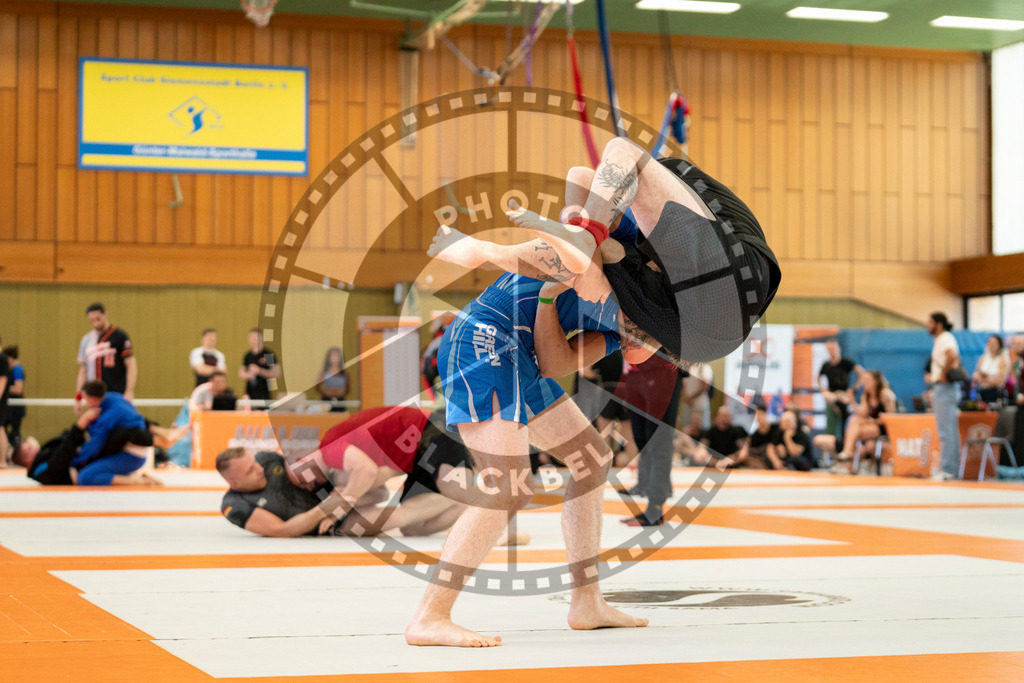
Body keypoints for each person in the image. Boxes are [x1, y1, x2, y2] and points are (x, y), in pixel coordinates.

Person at [411, 206, 656, 645]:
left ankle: (587, 602)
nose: (639, 341)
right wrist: (487, 250)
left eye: (646, 341)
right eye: (642, 334)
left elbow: (554, 363)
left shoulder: (618, 329)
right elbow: (573, 242)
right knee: (507, 485)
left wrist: (546, 301)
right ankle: (430, 616)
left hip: (524, 357)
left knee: (592, 459)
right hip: (484, 335)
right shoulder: (617, 256)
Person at [504, 139, 781, 366]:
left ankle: (501, 252)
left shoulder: (651, 227)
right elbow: (582, 178)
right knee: (621, 155)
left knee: (620, 158)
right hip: (731, 295)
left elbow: (581, 179)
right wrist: (586, 250)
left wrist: (579, 232)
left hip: (739, 290)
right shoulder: (645, 227)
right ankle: (571, 243)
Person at [292, 406, 529, 544]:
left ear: (302, 460)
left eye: (303, 479)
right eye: (305, 486)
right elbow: (379, 492)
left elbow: (368, 471)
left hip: (429, 430)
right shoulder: (340, 466)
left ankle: (504, 522)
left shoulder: (329, 448)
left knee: (454, 488)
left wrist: (342, 503)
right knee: (414, 528)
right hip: (415, 458)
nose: (309, 485)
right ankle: (472, 509)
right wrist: (349, 496)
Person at [615, 353, 684, 526]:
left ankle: (655, 508)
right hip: (635, 372)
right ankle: (648, 486)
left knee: (658, 441)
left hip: (662, 370)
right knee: (641, 438)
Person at [73, 381, 159, 486]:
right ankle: (129, 476)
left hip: (131, 456)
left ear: (93, 398)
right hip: (135, 451)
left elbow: (97, 443)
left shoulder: (107, 416)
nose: (86, 403)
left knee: (85, 477)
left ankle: (134, 480)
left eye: (85, 399)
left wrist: (75, 458)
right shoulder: (115, 398)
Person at [815, 370, 897, 471]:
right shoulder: (866, 396)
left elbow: (891, 418)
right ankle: (848, 457)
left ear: (875, 381)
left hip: (883, 428)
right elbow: (863, 414)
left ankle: (847, 457)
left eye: (867, 380)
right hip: (869, 426)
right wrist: (852, 401)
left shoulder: (885, 394)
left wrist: (870, 421)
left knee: (854, 429)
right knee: (854, 422)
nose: (865, 382)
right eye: (864, 380)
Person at [75, 302, 136, 411]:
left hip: (116, 394)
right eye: (92, 320)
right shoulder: (86, 340)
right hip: (94, 397)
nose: (95, 323)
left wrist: (129, 391)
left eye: (98, 319)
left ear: (105, 315)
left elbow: (131, 365)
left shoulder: (119, 336)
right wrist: (78, 397)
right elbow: (83, 371)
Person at [927, 312, 962, 480]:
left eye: (930, 322)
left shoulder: (945, 338)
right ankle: (952, 469)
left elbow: (952, 355)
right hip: (947, 388)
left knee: (945, 431)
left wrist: (943, 374)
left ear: (939, 324)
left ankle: (948, 469)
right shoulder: (942, 339)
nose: (928, 326)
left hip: (945, 388)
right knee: (950, 430)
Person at [818, 340, 861, 442]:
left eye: (833, 348)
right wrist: (822, 389)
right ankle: (831, 440)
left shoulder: (846, 363)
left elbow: (861, 373)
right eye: (829, 349)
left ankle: (845, 440)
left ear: (839, 349)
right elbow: (818, 377)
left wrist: (854, 388)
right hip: (833, 396)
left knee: (846, 417)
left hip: (844, 395)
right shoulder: (826, 365)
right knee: (829, 400)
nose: (831, 351)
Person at [726, 402, 783, 470]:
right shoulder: (755, 434)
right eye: (756, 415)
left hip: (769, 457)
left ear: (765, 414)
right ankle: (723, 464)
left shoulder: (775, 428)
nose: (758, 417)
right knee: (740, 456)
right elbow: (748, 446)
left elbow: (772, 447)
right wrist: (744, 450)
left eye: (760, 414)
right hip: (756, 457)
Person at [240, 329, 280, 402]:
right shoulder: (248, 355)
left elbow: (276, 374)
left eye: (256, 337)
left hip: (264, 393)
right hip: (250, 393)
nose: (254, 340)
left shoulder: (268, 355)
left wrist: (259, 370)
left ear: (262, 338)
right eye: (252, 337)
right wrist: (248, 375)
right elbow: (241, 372)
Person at [972, 334, 1009, 404]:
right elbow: (976, 375)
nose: (992, 345)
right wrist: (983, 378)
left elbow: (1001, 380)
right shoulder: (983, 358)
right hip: (982, 391)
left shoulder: (1003, 359)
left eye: (995, 343)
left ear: (999, 345)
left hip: (996, 392)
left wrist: (985, 379)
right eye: (990, 342)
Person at [679, 363, 714, 432]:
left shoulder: (704, 368)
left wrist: (691, 398)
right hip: (687, 404)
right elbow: (682, 385)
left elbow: (705, 386)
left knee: (701, 430)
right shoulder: (686, 368)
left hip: (700, 405)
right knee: (686, 428)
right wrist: (685, 398)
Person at [3, 345, 25, 450]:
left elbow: (18, 389)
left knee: (15, 433)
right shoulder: (9, 370)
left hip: (16, 407)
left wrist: (3, 387)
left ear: (10, 358)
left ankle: (17, 454)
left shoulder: (17, 370)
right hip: (8, 407)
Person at [316, 346, 351, 411]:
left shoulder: (345, 372)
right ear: (328, 357)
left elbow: (348, 388)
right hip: (327, 399)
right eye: (332, 355)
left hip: (340, 400)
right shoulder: (324, 371)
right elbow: (317, 385)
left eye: (337, 355)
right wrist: (325, 393)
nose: (334, 358)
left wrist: (341, 393)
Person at [0, 340, 10, 467]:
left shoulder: (2, 359)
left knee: (0, 428)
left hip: (1, 401)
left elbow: (2, 382)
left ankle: (2, 460)